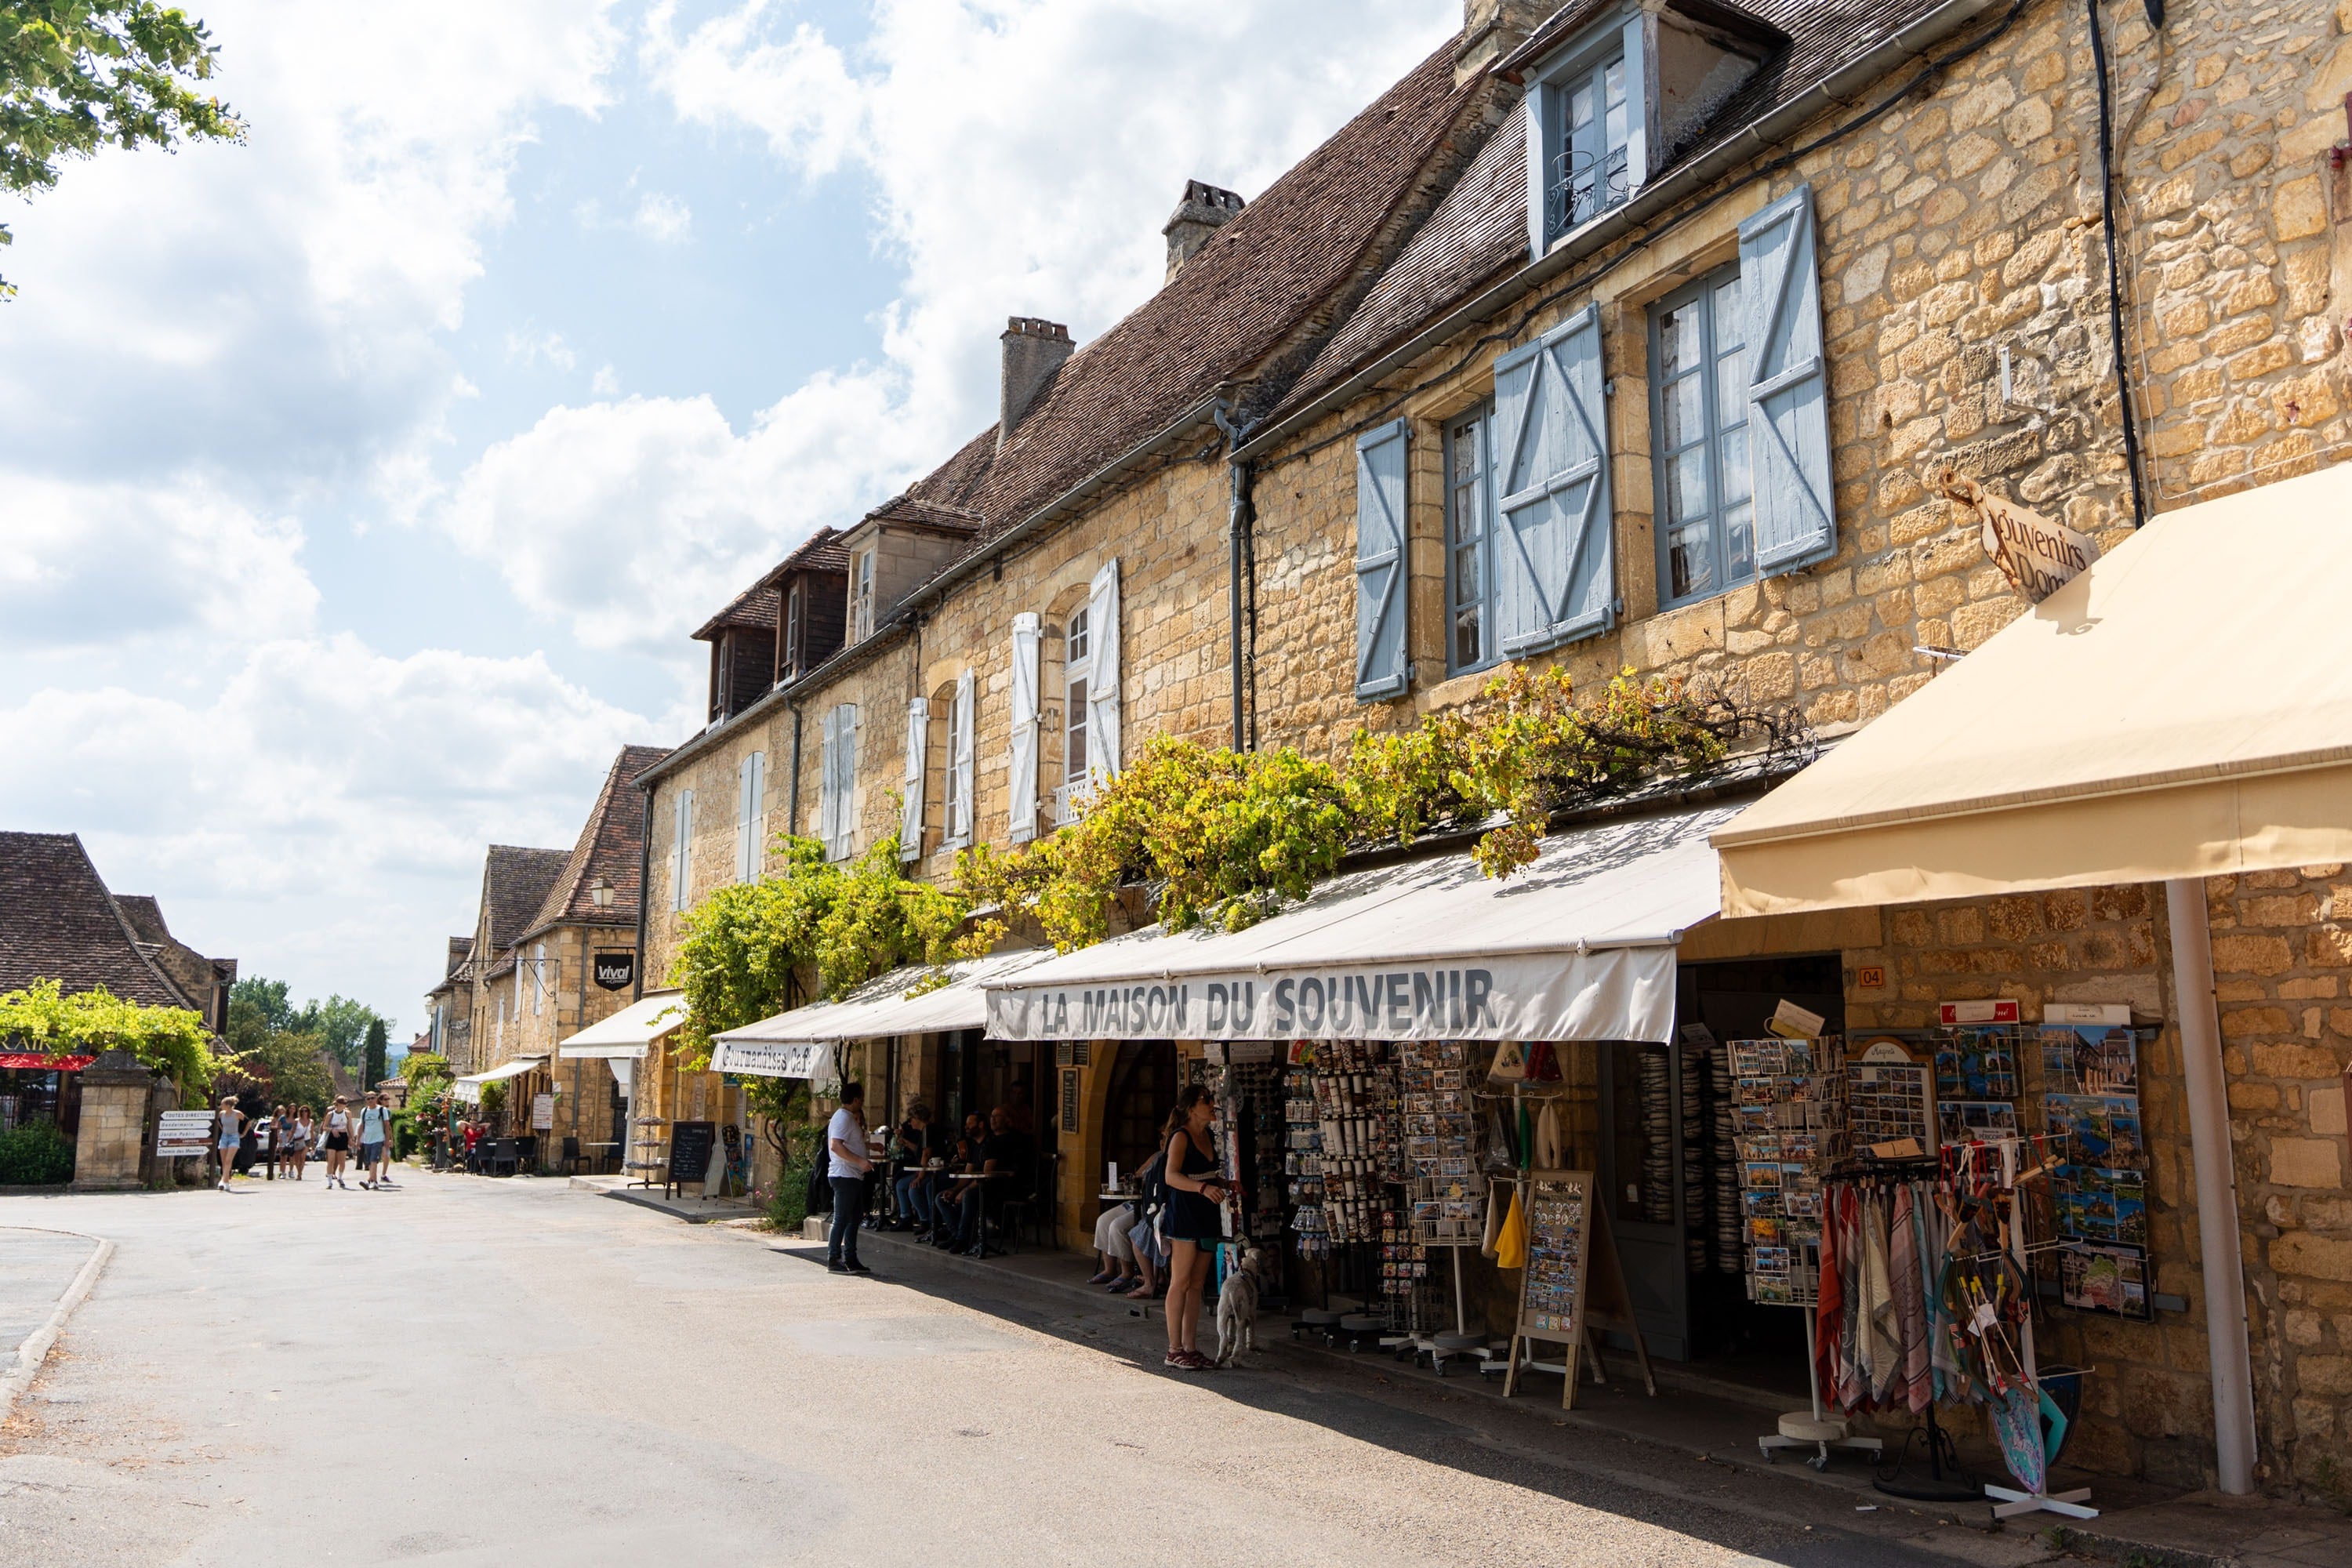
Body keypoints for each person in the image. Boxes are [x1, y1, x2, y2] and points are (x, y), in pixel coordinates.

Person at [1157, 1085, 1229, 1371]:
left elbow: (1207, 1173)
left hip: (1206, 1212)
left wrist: (1222, 1184)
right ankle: (1174, 1349)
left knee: (1198, 1283)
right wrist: (1201, 1188)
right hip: (1186, 1211)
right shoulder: (1181, 1137)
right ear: (1189, 1107)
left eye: (1212, 1099)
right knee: (1181, 1280)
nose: (1213, 1104)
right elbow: (1171, 1176)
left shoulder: (1208, 1134)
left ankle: (1190, 1346)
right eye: (1206, 1100)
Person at [951, 1105, 1033, 1258]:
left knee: (970, 1195)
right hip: (989, 1183)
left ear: (1008, 1120)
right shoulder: (989, 1140)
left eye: (997, 1116)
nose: (993, 1119)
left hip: (1007, 1186)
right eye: (992, 1116)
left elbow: (1001, 1170)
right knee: (951, 1192)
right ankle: (958, 1234)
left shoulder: (1015, 1139)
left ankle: (964, 1238)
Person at [825, 1082, 875, 1276]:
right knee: (842, 1218)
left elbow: (850, 1144)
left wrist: (869, 1148)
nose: (862, 1102)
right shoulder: (843, 1118)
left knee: (854, 1218)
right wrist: (860, 1161)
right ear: (855, 1100)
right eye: (861, 1098)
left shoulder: (845, 1118)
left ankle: (851, 1258)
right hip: (844, 1174)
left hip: (851, 1175)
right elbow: (836, 1146)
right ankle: (833, 1257)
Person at [891, 1104, 939, 1235]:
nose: (909, 1122)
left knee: (913, 1188)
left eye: (911, 1118)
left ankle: (926, 1220)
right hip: (925, 1170)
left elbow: (926, 1153)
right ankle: (906, 1217)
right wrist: (906, 1143)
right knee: (901, 1184)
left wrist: (920, 1176)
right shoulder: (923, 1132)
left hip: (931, 1172)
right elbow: (919, 1151)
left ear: (918, 1118)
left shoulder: (928, 1130)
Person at [358, 1092, 395, 1189]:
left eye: (372, 1098)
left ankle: (371, 1180)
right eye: (368, 1098)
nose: (370, 1100)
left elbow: (387, 1126)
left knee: (374, 1160)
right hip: (367, 1140)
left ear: (376, 1099)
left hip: (378, 1139)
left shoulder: (382, 1110)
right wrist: (358, 1139)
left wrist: (388, 1140)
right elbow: (361, 1125)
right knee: (370, 1162)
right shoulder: (364, 1111)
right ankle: (373, 1182)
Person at [321, 1097, 354, 1189]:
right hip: (333, 1137)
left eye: (345, 1103)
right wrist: (332, 1129)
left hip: (343, 1136)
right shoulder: (330, 1114)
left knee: (342, 1161)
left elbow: (350, 1126)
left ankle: (340, 1177)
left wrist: (351, 1138)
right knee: (331, 1160)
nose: (345, 1105)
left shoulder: (347, 1114)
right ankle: (330, 1181)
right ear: (338, 1104)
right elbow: (324, 1127)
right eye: (343, 1103)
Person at [213, 1095, 244, 1191]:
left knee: (228, 1160)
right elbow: (217, 1121)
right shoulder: (222, 1114)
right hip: (224, 1137)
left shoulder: (237, 1114)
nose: (221, 1106)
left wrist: (242, 1133)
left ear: (228, 1105)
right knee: (224, 1162)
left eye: (222, 1104)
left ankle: (222, 1180)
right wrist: (222, 1129)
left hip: (234, 1137)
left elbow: (247, 1122)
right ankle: (226, 1182)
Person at [286, 1105, 312, 1181]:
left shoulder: (311, 1121)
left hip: (307, 1141)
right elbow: (292, 1131)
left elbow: (312, 1133)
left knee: (302, 1157)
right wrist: (288, 1141)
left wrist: (313, 1145)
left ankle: (300, 1174)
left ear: (308, 1112)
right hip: (297, 1140)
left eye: (306, 1111)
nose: (304, 1112)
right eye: (302, 1111)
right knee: (297, 1159)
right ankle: (299, 1172)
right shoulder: (296, 1121)